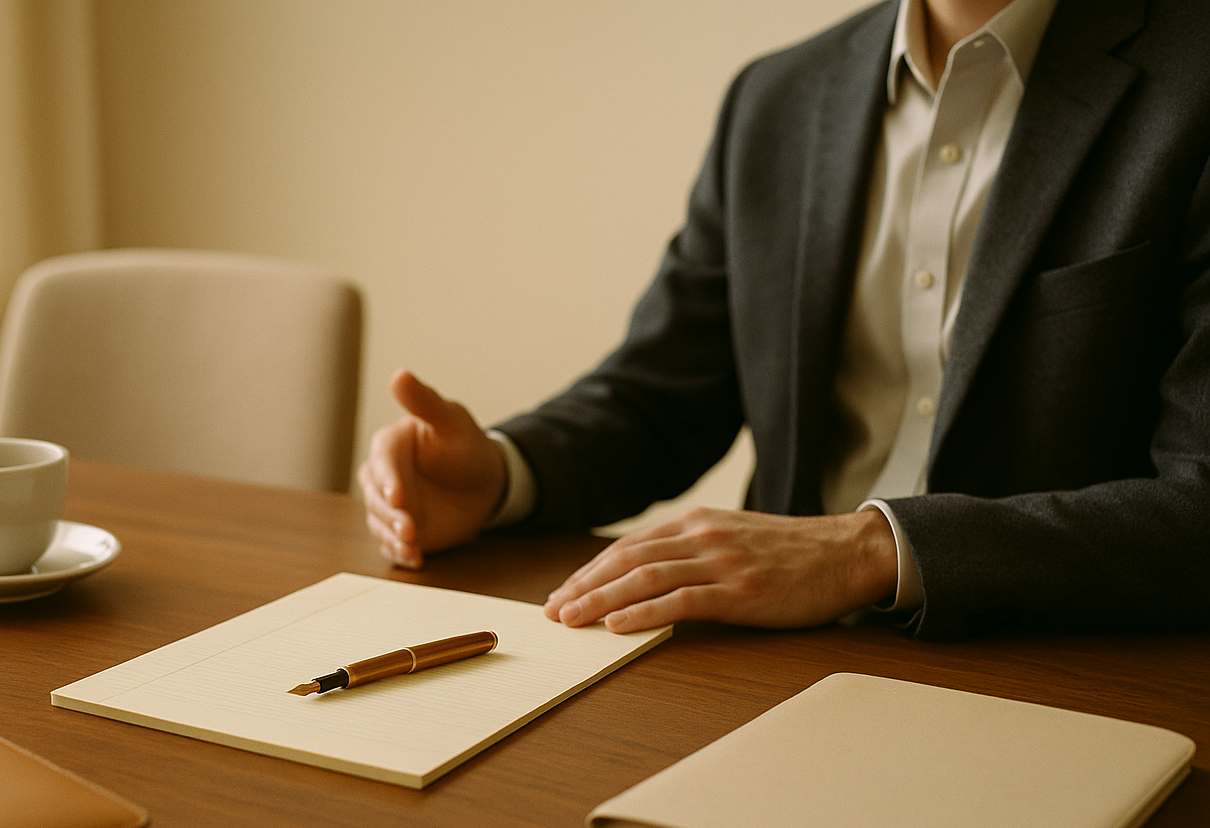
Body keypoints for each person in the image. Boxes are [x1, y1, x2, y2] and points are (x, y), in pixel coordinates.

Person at [359, 0, 1210, 640]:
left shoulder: (1192, 79)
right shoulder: (777, 99)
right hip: (775, 660)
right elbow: (661, 396)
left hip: (1066, 670)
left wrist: (868, 552)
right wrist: (504, 474)